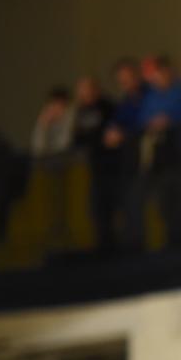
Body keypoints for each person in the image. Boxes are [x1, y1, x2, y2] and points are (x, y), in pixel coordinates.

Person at [125, 55, 181, 250]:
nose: (154, 78)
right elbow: (143, 120)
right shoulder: (150, 98)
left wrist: (169, 120)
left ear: (167, 71)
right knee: (165, 201)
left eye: (156, 73)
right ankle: (173, 241)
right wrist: (153, 124)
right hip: (160, 158)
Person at [70, 77, 120, 253]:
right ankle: (104, 247)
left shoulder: (108, 107)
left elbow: (111, 135)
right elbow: (77, 140)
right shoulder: (80, 113)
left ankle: (121, 247)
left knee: (117, 208)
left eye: (87, 89)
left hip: (114, 167)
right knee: (97, 210)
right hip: (95, 169)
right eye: (81, 91)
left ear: (95, 89)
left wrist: (97, 139)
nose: (85, 94)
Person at [30, 87, 73, 159]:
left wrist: (65, 119)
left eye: (59, 105)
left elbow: (65, 145)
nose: (55, 109)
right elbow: (37, 148)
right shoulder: (45, 118)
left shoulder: (71, 118)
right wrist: (44, 126)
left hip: (66, 160)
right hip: (47, 160)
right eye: (53, 104)